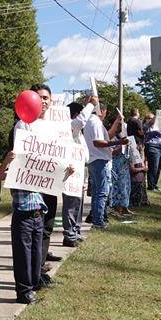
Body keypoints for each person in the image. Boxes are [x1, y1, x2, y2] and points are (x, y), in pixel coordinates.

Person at [0, 124, 49, 304]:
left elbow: (53, 179)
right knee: (23, 256)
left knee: (35, 255)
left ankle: (33, 284)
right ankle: (23, 291)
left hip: (38, 214)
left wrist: (68, 173)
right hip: (23, 214)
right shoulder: (15, 160)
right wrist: (6, 160)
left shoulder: (39, 160)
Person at [29, 84, 62, 264]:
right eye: (38, 97)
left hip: (50, 183)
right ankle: (33, 273)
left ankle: (40, 269)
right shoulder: (24, 124)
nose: (42, 101)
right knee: (34, 230)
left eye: (46, 98)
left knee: (47, 227)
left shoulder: (55, 127)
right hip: (32, 186)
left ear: (50, 101)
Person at [84, 101, 125, 229]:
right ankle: (98, 221)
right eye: (105, 113)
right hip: (99, 160)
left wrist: (117, 122)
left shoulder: (91, 121)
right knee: (102, 192)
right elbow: (98, 142)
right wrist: (118, 142)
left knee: (97, 192)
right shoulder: (95, 121)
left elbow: (107, 135)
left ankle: (97, 219)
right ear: (102, 111)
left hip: (95, 159)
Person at [63, 95, 96, 246]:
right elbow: (80, 121)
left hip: (81, 170)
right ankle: (69, 234)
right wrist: (91, 104)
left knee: (79, 203)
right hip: (71, 171)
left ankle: (75, 231)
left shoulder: (78, 132)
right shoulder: (70, 127)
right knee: (71, 203)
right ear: (75, 115)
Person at [109, 112, 135, 220]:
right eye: (120, 125)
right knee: (117, 187)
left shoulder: (123, 136)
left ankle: (125, 207)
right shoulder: (110, 136)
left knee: (125, 187)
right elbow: (110, 152)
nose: (121, 127)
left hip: (124, 166)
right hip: (115, 166)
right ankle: (116, 208)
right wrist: (121, 147)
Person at [143, 111, 161, 191]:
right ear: (146, 119)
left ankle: (155, 184)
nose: (151, 119)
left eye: (151, 118)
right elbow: (151, 123)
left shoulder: (159, 126)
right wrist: (160, 114)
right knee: (153, 167)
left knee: (159, 167)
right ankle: (151, 186)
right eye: (149, 118)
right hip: (152, 146)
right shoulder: (146, 125)